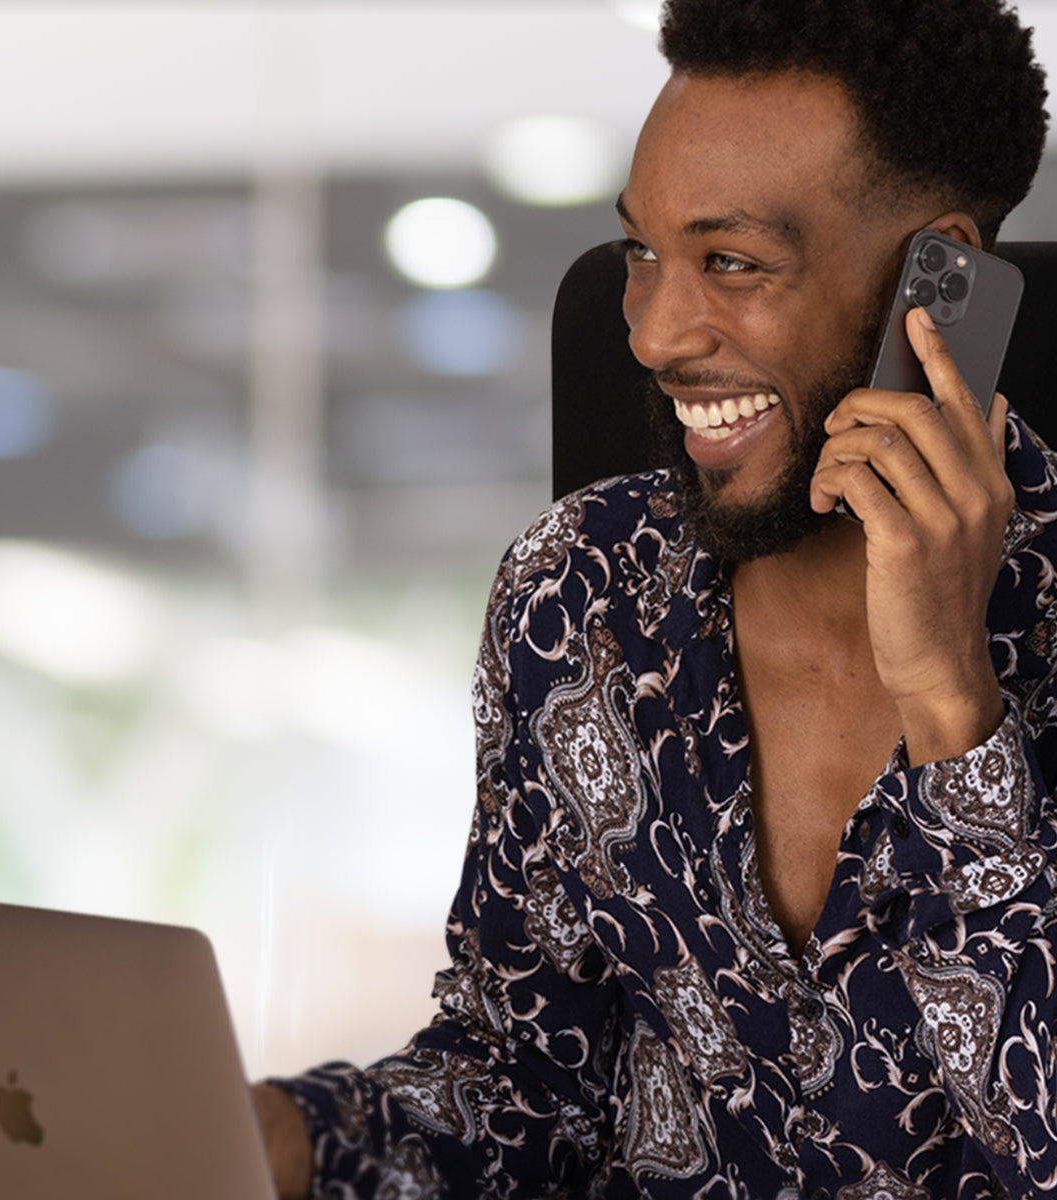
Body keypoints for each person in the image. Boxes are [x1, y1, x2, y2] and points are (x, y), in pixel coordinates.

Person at [253, 0, 1056, 1195]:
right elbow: (521, 1090)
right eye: (643, 253)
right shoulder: (580, 592)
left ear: (931, 283)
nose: (656, 333)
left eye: (731, 262)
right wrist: (249, 1135)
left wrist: (952, 702)